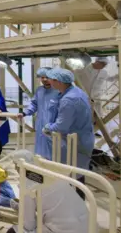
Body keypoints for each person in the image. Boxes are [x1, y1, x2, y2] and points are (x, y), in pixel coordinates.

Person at [6, 150, 88, 233]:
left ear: (19, 166)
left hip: (64, 229)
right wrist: (20, 207)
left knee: (12, 231)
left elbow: (29, 225)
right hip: (88, 224)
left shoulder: (27, 184)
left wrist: (22, 210)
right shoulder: (51, 173)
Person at [44, 68, 95, 199]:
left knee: (71, 177)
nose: (48, 81)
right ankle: (75, 206)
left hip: (74, 143)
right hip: (83, 138)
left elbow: (62, 126)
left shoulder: (68, 100)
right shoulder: (77, 92)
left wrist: (49, 127)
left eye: (50, 79)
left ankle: (73, 207)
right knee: (77, 175)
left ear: (58, 81)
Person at [17, 67, 60, 160]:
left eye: (47, 77)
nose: (44, 79)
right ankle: (41, 165)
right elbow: (34, 104)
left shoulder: (58, 91)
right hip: (40, 125)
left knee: (54, 149)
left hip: (54, 126)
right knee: (40, 148)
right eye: (42, 77)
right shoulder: (39, 90)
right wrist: (24, 113)